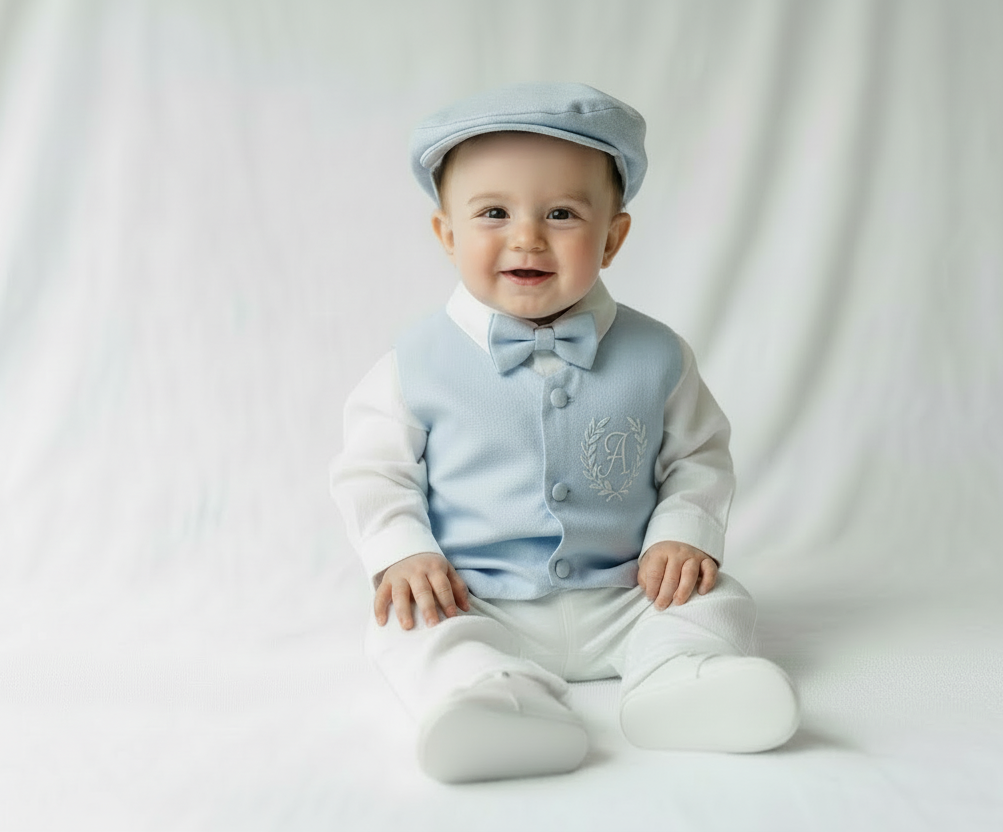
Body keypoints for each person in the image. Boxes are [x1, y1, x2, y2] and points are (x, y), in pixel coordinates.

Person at [329, 82, 799, 784]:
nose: (527, 236)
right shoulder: (413, 366)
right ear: (446, 233)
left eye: (561, 213)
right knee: (407, 626)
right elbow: (374, 471)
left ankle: (678, 680)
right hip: (476, 595)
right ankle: (489, 698)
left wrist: (684, 534)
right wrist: (403, 554)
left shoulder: (659, 355)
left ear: (612, 237)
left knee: (716, 600)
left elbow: (697, 456)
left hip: (628, 591)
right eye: (493, 212)